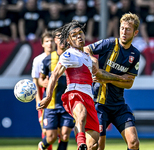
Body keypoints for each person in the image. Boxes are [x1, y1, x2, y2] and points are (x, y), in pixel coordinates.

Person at [37, 20, 131, 150]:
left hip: (89, 98)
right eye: (74, 35)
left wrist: (120, 78)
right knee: (80, 114)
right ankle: (81, 144)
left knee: (94, 142)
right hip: (74, 94)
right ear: (69, 41)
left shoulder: (88, 57)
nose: (79, 37)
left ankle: (84, 145)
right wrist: (47, 97)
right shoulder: (69, 54)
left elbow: (100, 75)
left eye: (80, 33)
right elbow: (54, 75)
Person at [84, 12, 140, 150]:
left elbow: (129, 83)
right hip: (99, 104)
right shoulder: (109, 44)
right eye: (122, 28)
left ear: (135, 32)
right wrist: (93, 59)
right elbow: (86, 49)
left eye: (128, 29)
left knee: (134, 143)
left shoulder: (135, 54)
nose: (124, 32)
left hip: (118, 105)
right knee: (95, 146)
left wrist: (106, 77)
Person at [37, 27, 75, 150]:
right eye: (60, 38)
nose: (63, 40)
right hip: (51, 104)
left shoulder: (73, 58)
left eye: (65, 37)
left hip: (68, 104)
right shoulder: (48, 59)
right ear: (56, 41)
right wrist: (44, 82)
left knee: (64, 135)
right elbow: (41, 79)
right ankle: (42, 146)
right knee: (51, 137)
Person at [31, 31, 55, 150]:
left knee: (62, 130)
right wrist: (38, 100)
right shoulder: (38, 60)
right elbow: (36, 81)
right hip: (44, 98)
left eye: (51, 41)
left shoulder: (61, 58)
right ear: (42, 44)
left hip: (58, 98)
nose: (49, 43)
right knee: (46, 130)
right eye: (47, 41)